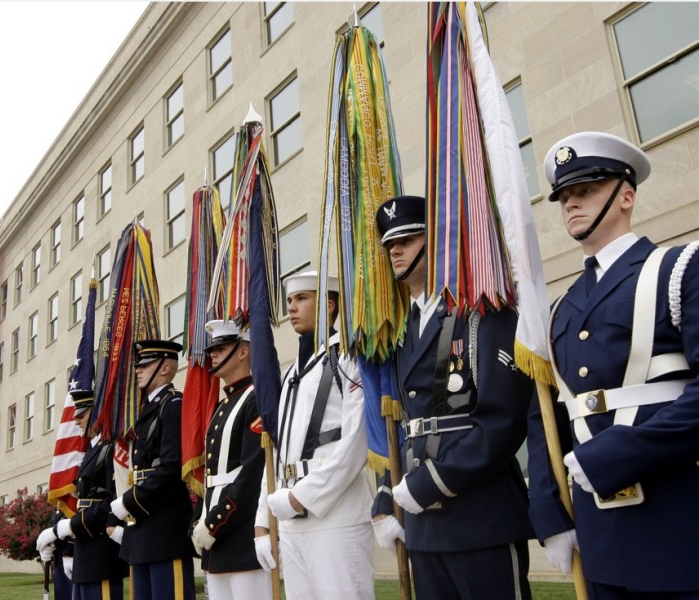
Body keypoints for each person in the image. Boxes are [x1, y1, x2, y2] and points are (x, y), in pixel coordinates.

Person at [526, 131, 699, 599]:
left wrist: (615, 456)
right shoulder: (560, 308)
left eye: (586, 191)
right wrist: (549, 513)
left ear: (626, 195)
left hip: (678, 527)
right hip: (600, 538)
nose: (571, 205)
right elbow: (547, 416)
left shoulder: (680, 268)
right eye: (564, 197)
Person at [371, 195, 535, 599]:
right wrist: (385, 489)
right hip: (424, 527)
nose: (395, 249)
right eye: (390, 242)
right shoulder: (399, 331)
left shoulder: (481, 309)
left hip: (480, 515)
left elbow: (502, 420)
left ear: (438, 241)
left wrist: (431, 482)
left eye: (408, 238)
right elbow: (399, 420)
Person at [254, 270, 375, 600]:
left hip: (335, 516)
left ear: (330, 305)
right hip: (291, 519)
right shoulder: (292, 372)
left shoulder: (348, 357)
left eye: (302, 298)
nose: (291, 307)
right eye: (290, 300)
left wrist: (299, 497)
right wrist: (263, 519)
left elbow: (355, 441)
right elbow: (281, 451)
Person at [190, 320, 272, 599]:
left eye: (220, 348)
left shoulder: (255, 397)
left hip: (240, 534)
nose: (212, 354)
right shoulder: (223, 404)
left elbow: (251, 474)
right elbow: (212, 476)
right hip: (216, 535)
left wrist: (215, 523)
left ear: (243, 352)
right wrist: (200, 519)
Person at [109, 340, 195, 600]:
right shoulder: (149, 410)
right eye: (138, 365)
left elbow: (170, 468)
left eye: (145, 365)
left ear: (166, 368)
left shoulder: (173, 406)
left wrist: (128, 501)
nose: (138, 370)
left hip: (165, 528)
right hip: (144, 529)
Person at [48, 389, 128, 600]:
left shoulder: (111, 448)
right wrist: (70, 549)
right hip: (86, 549)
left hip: (101, 552)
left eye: (82, 415)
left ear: (98, 413)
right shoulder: (94, 450)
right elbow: (83, 505)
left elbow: (111, 500)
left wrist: (69, 527)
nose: (76, 421)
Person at [37, 508, 74, 599]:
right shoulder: (59, 508)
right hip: (59, 564)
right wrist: (47, 544)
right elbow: (54, 526)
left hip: (77, 559)